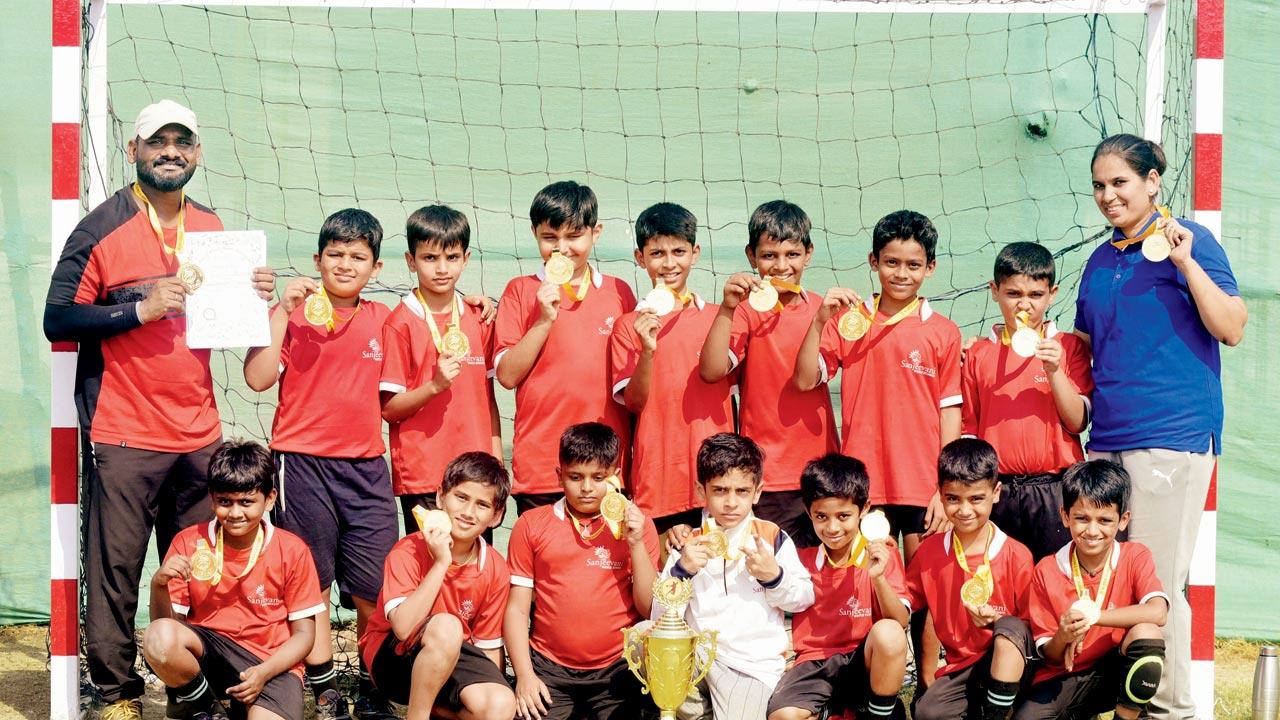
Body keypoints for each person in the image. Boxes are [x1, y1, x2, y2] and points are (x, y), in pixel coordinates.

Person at [42, 99, 275, 720]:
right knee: (116, 568)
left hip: (198, 430)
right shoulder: (101, 227)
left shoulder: (212, 225)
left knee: (198, 567)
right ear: (134, 150)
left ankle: (189, 691)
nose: (170, 151)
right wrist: (135, 311)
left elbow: (231, 323)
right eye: (157, 142)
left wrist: (257, 297)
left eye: (183, 142)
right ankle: (116, 693)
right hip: (124, 429)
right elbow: (57, 317)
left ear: (196, 153)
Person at [1077, 133, 1246, 718]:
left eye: (1120, 182)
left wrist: (1184, 262)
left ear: (1153, 182)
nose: (1107, 194)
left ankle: (1171, 711)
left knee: (1157, 583)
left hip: (1171, 437)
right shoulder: (1100, 261)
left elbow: (1232, 326)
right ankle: (1126, 703)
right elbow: (1082, 351)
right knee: (1116, 583)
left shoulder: (1192, 241)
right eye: (1099, 184)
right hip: (1105, 441)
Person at [791, 209, 962, 684]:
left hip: (923, 483)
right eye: (891, 262)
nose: (901, 274)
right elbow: (807, 377)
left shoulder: (943, 332)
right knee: (868, 582)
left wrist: (944, 488)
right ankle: (868, 683)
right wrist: (820, 319)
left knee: (925, 587)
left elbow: (950, 410)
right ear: (873, 261)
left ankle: (927, 685)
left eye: (912, 264)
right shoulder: (850, 322)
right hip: (864, 486)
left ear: (930, 267)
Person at [241, 208, 397, 719]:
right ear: (317, 259)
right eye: (335, 254)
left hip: (368, 469)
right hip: (301, 465)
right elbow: (258, 378)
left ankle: (378, 681)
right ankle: (325, 686)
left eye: (358, 257)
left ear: (375, 268)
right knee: (313, 582)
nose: (345, 264)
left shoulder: (384, 320)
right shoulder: (296, 315)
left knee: (376, 585)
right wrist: (282, 312)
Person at [142, 439, 325, 720]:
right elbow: (166, 628)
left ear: (270, 498)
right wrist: (159, 585)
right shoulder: (189, 541)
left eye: (247, 502)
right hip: (210, 655)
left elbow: (304, 636)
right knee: (157, 638)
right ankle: (205, 707)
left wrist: (263, 673)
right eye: (225, 502)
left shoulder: (292, 549)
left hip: (271, 664)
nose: (236, 513)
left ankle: (240, 704)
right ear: (212, 497)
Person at [698, 200, 838, 547]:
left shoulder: (826, 310)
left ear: (809, 254)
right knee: (767, 576)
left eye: (792, 254)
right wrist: (728, 307)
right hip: (767, 474)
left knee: (819, 580)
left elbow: (812, 379)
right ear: (751, 256)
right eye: (769, 256)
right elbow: (712, 370)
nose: (781, 266)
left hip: (821, 472)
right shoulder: (743, 311)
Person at [494, 181, 636, 515]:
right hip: (542, 468)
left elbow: (633, 388)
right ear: (535, 234)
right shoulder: (520, 290)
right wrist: (543, 320)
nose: (562, 249)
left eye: (574, 236)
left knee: (607, 565)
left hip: (606, 472)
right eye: (549, 238)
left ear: (595, 233)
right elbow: (507, 375)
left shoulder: (619, 292)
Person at [504, 422, 660, 720]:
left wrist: (636, 542)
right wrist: (524, 676)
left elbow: (648, 607)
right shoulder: (532, 524)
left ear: (616, 477)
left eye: (598, 477)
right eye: (575, 477)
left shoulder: (639, 525)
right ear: (559, 476)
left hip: (617, 668)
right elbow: (516, 610)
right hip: (549, 668)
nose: (587, 488)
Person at [659, 433, 813, 719]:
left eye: (742, 491)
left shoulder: (771, 538)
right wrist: (684, 572)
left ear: (757, 492)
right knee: (646, 639)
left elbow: (804, 597)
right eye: (720, 490)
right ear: (701, 491)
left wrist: (775, 578)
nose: (731, 502)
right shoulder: (688, 543)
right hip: (697, 658)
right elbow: (659, 615)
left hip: (749, 667)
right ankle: (702, 713)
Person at [358, 451, 516, 720]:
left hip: (451, 660)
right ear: (441, 497)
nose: (468, 512)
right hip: (394, 660)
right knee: (447, 626)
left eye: (482, 504)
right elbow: (404, 626)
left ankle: (435, 712)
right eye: (461, 497)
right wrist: (441, 562)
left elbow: (487, 648)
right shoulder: (408, 549)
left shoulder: (495, 567)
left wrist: (492, 687)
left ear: (497, 515)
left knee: (499, 704)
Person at [962, 241, 1093, 560]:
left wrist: (1054, 372)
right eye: (1013, 294)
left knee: (1056, 585)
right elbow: (968, 430)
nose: (1024, 305)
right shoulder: (978, 353)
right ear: (994, 291)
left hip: (1055, 490)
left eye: (1035, 295)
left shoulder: (1069, 348)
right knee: (999, 590)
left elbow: (1078, 421)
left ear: (1053, 294)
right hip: (997, 491)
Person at [610, 203, 735, 533]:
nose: (668, 263)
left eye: (678, 251)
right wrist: (647, 352)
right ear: (640, 258)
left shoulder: (720, 319)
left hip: (719, 481)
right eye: (657, 253)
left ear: (695, 254)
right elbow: (634, 403)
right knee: (666, 583)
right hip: (659, 481)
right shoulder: (628, 327)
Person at [380, 205, 502, 532]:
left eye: (451, 257)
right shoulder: (399, 323)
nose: (442, 268)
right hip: (423, 475)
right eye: (430, 258)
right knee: (428, 570)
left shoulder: (480, 318)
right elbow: (389, 410)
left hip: (476, 477)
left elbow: (488, 399)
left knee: (474, 572)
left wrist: (497, 464)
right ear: (410, 261)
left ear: (466, 258)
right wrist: (434, 386)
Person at [1016, 460, 1168, 720]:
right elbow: (1051, 656)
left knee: (1147, 634)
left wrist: (1096, 616)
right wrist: (1063, 635)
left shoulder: (1135, 556)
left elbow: (1158, 613)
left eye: (1105, 520)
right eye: (1082, 518)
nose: (1092, 530)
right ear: (1065, 516)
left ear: (1123, 520)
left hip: (1114, 670)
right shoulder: (1047, 569)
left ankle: (1128, 715)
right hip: (1066, 675)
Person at [766, 453, 909, 720]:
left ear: (864, 509)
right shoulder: (799, 558)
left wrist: (877, 577)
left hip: (864, 661)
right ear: (808, 512)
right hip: (814, 663)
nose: (832, 527)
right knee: (782, 715)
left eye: (843, 516)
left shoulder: (881, 553)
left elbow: (900, 621)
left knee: (888, 633)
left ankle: (877, 713)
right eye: (822, 516)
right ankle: (832, 709)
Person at [906, 439, 1034, 720]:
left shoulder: (1016, 554)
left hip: (1013, 665)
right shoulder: (930, 552)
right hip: (963, 668)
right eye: (953, 499)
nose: (964, 510)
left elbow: (1030, 627)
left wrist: (995, 624)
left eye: (976, 498)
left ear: (996, 492)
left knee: (1010, 627)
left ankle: (999, 711)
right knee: (929, 713)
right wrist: (882, 572)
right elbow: (906, 604)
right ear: (940, 495)